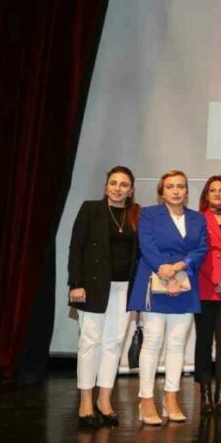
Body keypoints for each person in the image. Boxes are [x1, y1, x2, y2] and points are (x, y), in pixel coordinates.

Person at [129, 170, 208, 425]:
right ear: (162, 192)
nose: (176, 191)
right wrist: (166, 270)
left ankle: (171, 398)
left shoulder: (197, 219)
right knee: (152, 341)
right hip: (155, 281)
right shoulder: (150, 214)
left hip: (184, 284)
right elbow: (147, 246)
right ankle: (146, 400)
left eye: (181, 186)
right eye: (171, 187)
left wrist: (178, 267)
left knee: (177, 344)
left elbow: (201, 249)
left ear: (187, 191)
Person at [68, 166, 140, 427]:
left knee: (113, 344)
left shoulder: (136, 214)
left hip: (124, 288)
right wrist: (75, 283)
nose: (118, 188)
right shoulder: (91, 209)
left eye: (124, 184)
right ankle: (86, 401)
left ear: (131, 190)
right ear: (105, 186)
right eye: (114, 183)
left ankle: (104, 400)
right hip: (94, 286)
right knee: (90, 342)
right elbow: (76, 247)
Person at [196, 176, 221, 414]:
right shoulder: (198, 219)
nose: (218, 194)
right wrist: (215, 279)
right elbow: (197, 252)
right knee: (203, 343)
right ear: (206, 194)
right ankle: (205, 394)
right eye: (213, 190)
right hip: (205, 287)